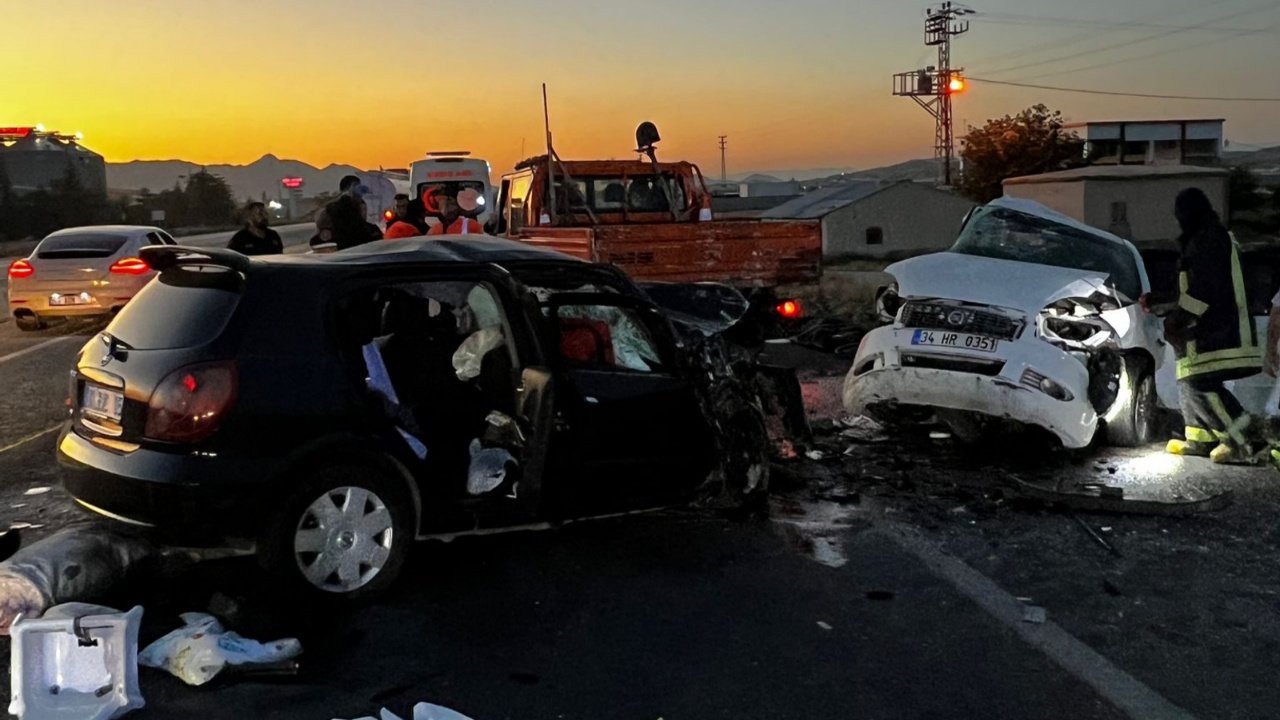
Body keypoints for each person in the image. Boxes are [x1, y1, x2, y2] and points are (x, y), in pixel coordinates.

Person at [1165, 187, 1264, 464]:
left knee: (1202, 382)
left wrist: (1179, 319)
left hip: (1218, 330)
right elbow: (1189, 285)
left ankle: (1247, 443)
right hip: (1203, 329)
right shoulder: (1204, 237)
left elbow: (1205, 288)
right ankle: (1200, 439)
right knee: (1189, 380)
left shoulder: (1209, 238)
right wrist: (1162, 302)